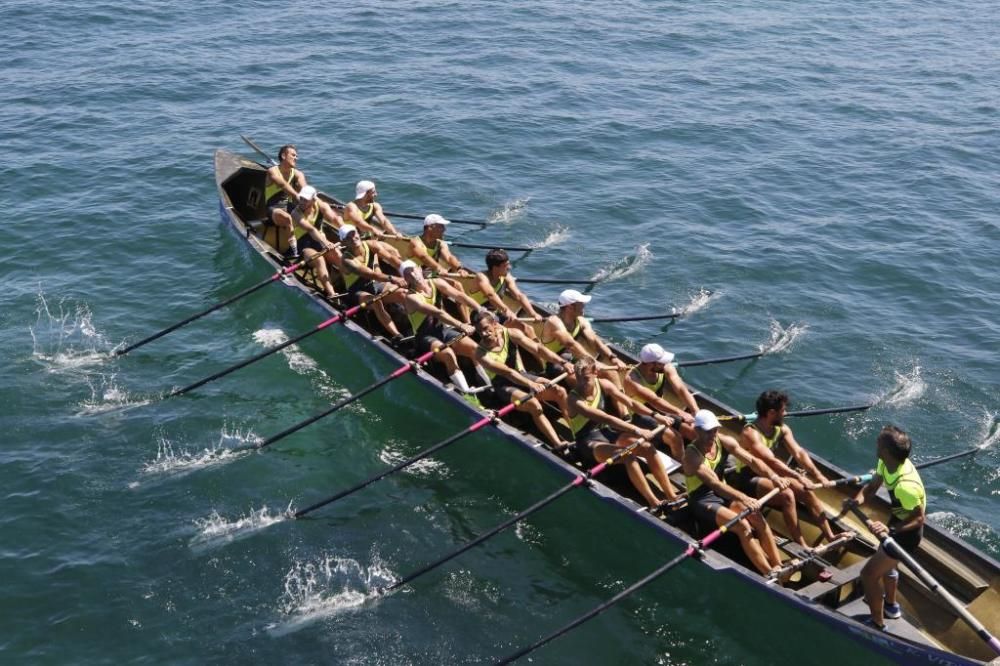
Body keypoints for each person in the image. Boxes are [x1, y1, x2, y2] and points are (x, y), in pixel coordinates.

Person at [734, 390, 850, 548]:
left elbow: (799, 453)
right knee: (787, 495)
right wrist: (798, 476)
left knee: (806, 490)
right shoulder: (750, 433)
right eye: (782, 411)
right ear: (771, 413)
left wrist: (819, 476)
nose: (785, 413)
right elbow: (771, 460)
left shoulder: (782, 429)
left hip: (771, 476)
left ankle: (830, 536)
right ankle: (801, 545)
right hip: (748, 478)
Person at [564, 357, 679, 509]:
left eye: (586, 379)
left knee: (647, 447)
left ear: (596, 373)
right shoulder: (573, 399)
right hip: (588, 442)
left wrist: (656, 415)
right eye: (579, 379)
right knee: (628, 456)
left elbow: (631, 403)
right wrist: (637, 430)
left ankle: (671, 495)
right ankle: (654, 502)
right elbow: (606, 418)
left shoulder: (604, 385)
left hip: (606, 433)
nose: (581, 384)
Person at [682, 409, 785, 576]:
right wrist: (744, 497)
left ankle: (779, 566)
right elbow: (715, 484)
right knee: (742, 525)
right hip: (702, 500)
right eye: (707, 432)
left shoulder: (724, 441)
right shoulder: (691, 456)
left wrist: (773, 476)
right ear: (697, 430)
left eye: (714, 430)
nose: (712, 436)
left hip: (722, 495)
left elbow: (752, 460)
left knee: (756, 516)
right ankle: (770, 574)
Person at [456, 309, 572, 448]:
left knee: (559, 391)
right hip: (504, 386)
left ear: (494, 324)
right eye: (480, 331)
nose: (484, 334)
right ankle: (558, 444)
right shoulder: (481, 354)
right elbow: (508, 373)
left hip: (521, 376)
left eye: (486, 329)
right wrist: (531, 383)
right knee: (534, 405)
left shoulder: (511, 333)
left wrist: (562, 362)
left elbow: (538, 349)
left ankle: (576, 432)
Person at [849, 425, 926, 630]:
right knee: (888, 565)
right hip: (898, 520)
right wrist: (857, 501)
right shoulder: (885, 462)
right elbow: (872, 487)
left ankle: (878, 624)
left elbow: (919, 519)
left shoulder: (905, 486)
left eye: (879, 442)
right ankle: (891, 606)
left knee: (868, 575)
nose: (876, 443)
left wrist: (890, 531)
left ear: (886, 451)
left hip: (907, 533)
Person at [396, 260, 482, 393]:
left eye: (413, 270)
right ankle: (466, 392)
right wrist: (461, 325)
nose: (413, 274)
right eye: (408, 274)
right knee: (448, 354)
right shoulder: (411, 297)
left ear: (420, 268)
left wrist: (480, 309)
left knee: (475, 349)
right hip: (425, 337)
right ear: (405, 279)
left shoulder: (436, 282)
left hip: (444, 330)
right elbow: (437, 312)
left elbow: (460, 296)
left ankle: (488, 386)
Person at [623, 343, 699, 456]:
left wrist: (696, 410)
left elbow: (681, 389)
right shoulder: (632, 379)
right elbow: (654, 400)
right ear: (650, 364)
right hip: (640, 415)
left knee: (694, 432)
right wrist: (681, 413)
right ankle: (683, 466)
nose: (665, 364)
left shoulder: (665, 367)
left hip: (661, 411)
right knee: (675, 438)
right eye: (661, 362)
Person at [334, 225, 407, 337]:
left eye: (354, 234)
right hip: (357, 291)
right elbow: (369, 274)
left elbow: (391, 259)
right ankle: (397, 335)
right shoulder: (347, 259)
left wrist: (407, 271)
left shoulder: (371, 245)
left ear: (358, 234)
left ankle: (413, 326)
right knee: (375, 301)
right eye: (348, 237)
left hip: (375, 285)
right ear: (343, 242)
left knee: (404, 294)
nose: (353, 238)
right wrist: (393, 278)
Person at [541, 289, 628, 373]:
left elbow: (595, 341)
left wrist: (612, 358)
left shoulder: (581, 320)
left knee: (611, 373)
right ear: (570, 307)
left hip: (573, 358)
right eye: (581, 304)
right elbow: (571, 345)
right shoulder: (554, 322)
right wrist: (594, 362)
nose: (584, 305)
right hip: (554, 363)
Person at [286, 186, 342, 298]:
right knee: (319, 259)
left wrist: (347, 231)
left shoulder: (320, 206)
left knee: (338, 255)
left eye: (305, 200)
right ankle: (331, 293)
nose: (301, 202)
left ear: (314, 199)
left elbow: (334, 219)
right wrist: (325, 242)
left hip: (318, 243)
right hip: (303, 247)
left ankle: (349, 284)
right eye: (301, 198)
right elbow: (311, 230)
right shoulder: (295, 213)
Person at [465, 249, 541, 321]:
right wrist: (506, 310)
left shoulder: (505, 276)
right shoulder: (481, 277)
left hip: (495, 313)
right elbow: (491, 295)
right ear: (495, 268)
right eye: (506, 265)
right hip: (477, 314)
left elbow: (519, 296)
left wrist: (533, 314)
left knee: (526, 328)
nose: (509, 267)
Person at [262, 144, 308, 256]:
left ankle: (307, 244)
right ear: (283, 156)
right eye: (293, 155)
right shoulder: (272, 171)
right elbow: (282, 184)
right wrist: (297, 196)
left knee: (307, 214)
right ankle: (294, 251)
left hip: (288, 206)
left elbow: (304, 187)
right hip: (273, 208)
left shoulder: (297, 173)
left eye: (296, 156)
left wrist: (307, 196)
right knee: (287, 218)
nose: (296, 158)